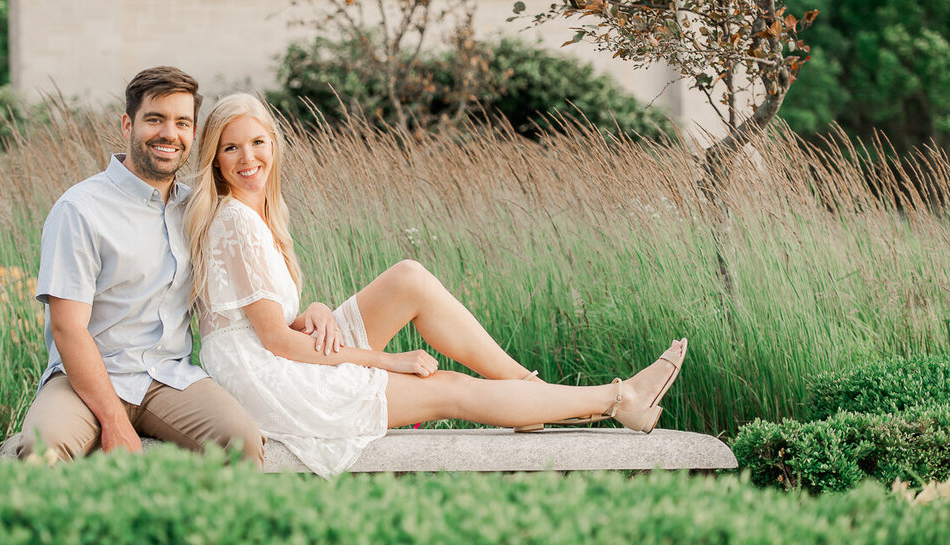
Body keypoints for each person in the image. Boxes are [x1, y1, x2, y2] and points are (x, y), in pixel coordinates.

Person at [184, 93, 688, 478]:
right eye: (231, 147)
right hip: (268, 380)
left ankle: (530, 393)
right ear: (215, 158)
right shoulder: (236, 221)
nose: (247, 157)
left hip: (273, 357)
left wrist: (313, 308)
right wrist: (390, 361)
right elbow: (271, 342)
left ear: (274, 144)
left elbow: (262, 320)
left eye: (257, 142)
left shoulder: (257, 214)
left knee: (408, 278)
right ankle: (619, 399)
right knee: (447, 388)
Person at [17, 68, 264, 466]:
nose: (170, 133)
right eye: (155, 119)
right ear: (128, 124)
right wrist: (114, 420)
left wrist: (313, 313)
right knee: (41, 449)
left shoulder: (197, 210)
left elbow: (255, 286)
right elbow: (67, 328)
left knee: (242, 442)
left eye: (182, 122)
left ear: (194, 133)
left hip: (170, 377)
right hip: (85, 379)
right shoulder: (80, 209)